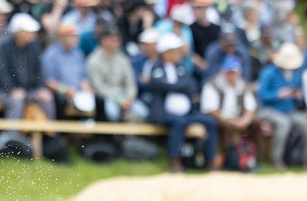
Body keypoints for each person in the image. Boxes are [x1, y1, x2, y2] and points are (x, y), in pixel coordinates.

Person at [144, 33, 218, 172]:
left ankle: (211, 160)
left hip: (186, 112)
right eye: (175, 51)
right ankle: (175, 160)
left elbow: (192, 86)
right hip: (165, 114)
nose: (178, 54)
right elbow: (160, 85)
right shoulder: (155, 68)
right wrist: (179, 86)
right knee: (179, 123)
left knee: (210, 122)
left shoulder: (182, 68)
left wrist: (174, 85)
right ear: (166, 53)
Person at [256, 43, 307, 169]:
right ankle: (277, 158)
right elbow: (261, 95)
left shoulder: (296, 75)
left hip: (289, 110)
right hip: (268, 110)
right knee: (283, 123)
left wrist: (298, 96)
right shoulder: (268, 72)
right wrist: (278, 94)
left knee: (305, 123)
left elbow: (300, 102)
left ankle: (304, 159)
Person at [201, 56, 257, 169]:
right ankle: (227, 160)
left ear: (239, 72)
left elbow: (250, 108)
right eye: (229, 72)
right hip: (220, 119)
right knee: (226, 127)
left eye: (234, 72)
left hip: (238, 118)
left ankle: (254, 160)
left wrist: (244, 120)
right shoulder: (212, 84)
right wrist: (231, 120)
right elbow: (213, 110)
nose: (231, 75)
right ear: (223, 71)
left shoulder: (243, 85)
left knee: (257, 124)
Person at [0, 13, 55, 120]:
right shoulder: (5, 47)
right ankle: (12, 135)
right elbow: (3, 72)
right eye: (29, 31)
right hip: (4, 91)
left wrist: (41, 88)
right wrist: (12, 90)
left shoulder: (34, 46)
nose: (32, 34)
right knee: (16, 102)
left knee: (46, 98)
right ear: (19, 32)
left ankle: (50, 135)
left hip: (28, 90)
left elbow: (40, 70)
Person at [86, 25, 138, 122]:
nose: (117, 41)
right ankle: (112, 137)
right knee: (112, 113)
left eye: (117, 38)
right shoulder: (93, 60)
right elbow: (98, 87)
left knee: (142, 112)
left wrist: (129, 98)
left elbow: (130, 82)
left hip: (124, 96)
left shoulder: (123, 58)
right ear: (103, 40)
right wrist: (119, 99)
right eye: (112, 38)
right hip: (108, 97)